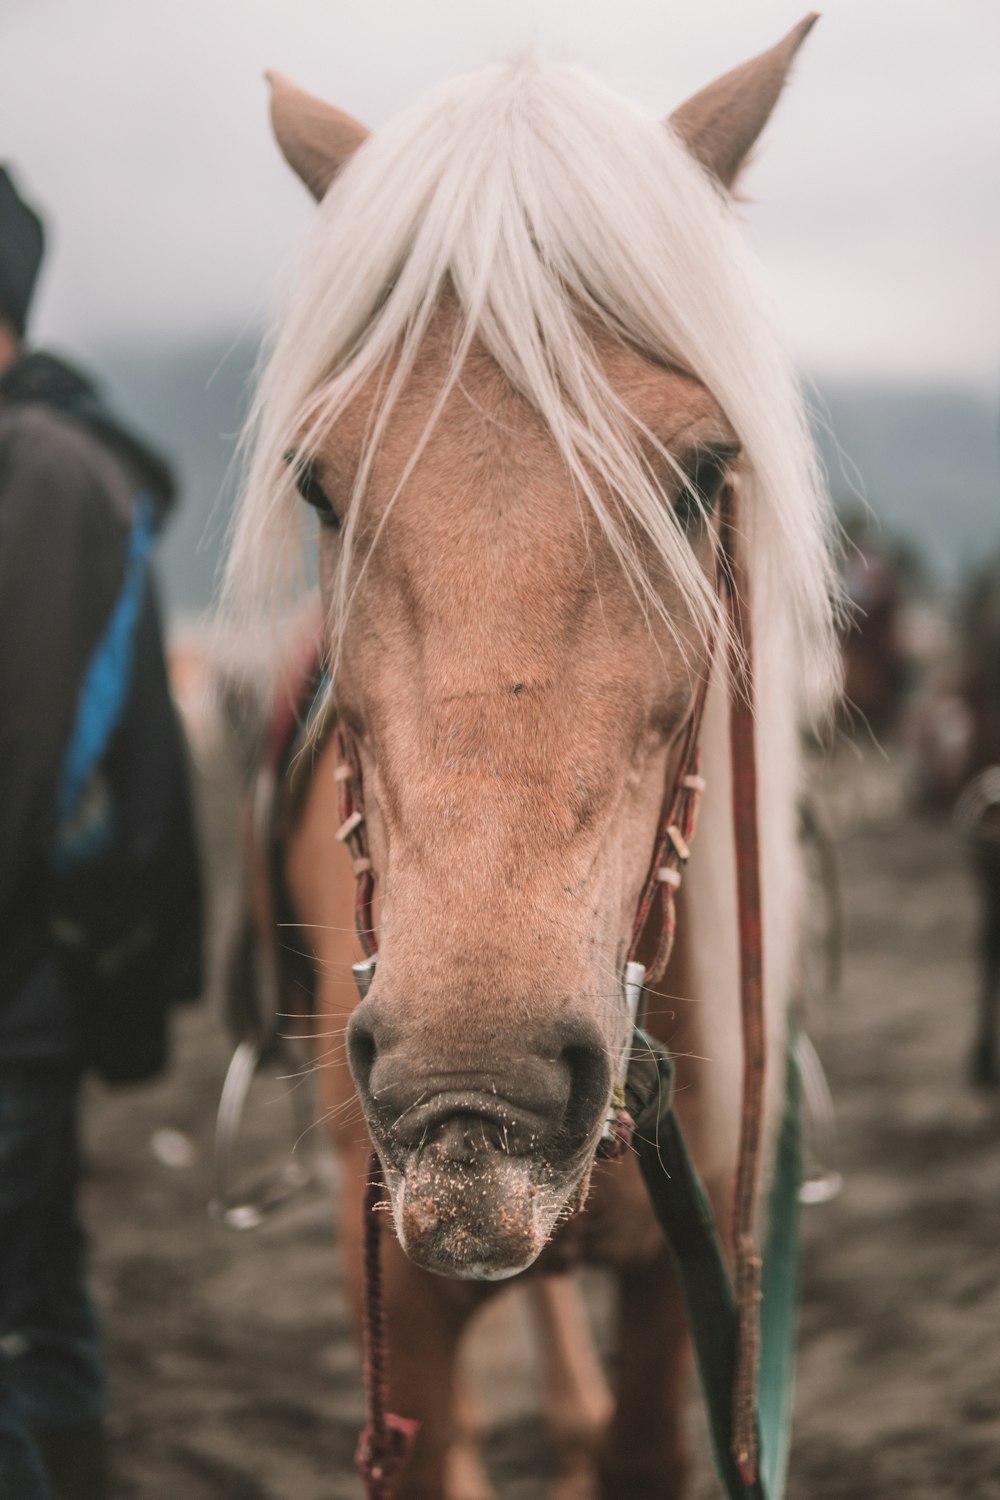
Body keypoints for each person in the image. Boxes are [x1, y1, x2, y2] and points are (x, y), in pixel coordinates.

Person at [0, 166, 203, 1499]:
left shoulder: (40, 472)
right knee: (39, 1290)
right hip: (37, 984)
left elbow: (18, 762)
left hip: (20, 981)